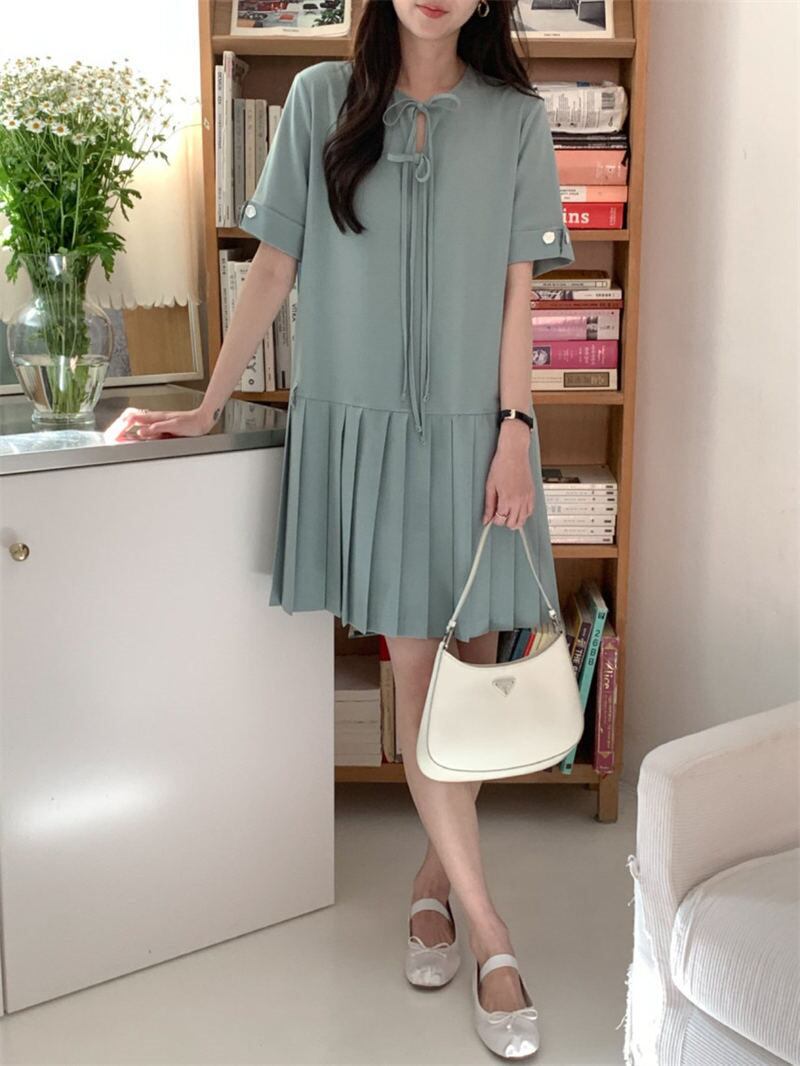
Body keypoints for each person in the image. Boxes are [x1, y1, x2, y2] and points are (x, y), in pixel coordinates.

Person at [119, 0, 574, 1056]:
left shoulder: (516, 117)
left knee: (470, 675)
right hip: (366, 432)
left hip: (474, 437)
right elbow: (273, 265)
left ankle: (430, 880)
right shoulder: (320, 99)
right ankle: (493, 936)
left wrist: (515, 431)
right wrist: (208, 400)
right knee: (420, 682)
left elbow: (519, 295)